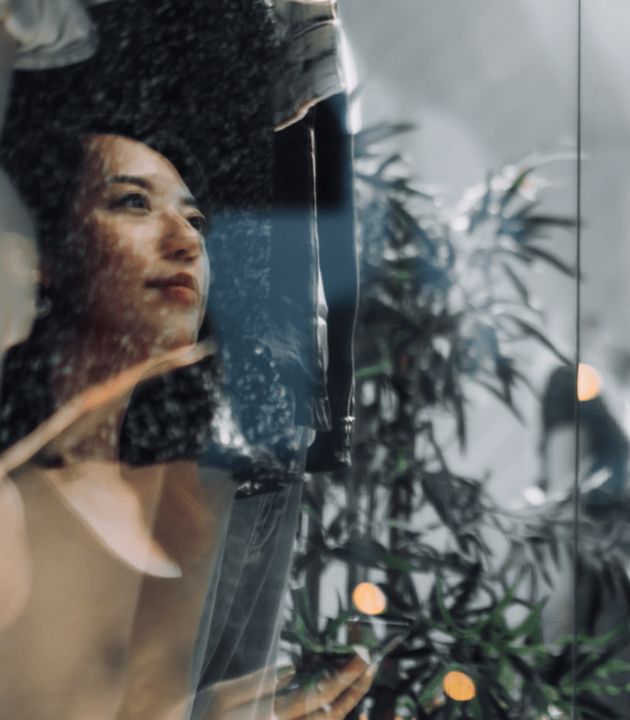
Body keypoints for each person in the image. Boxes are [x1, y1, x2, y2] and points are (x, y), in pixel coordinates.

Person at [0, 129, 372, 719]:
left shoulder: (189, 506)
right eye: (133, 202)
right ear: (48, 254)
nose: (186, 242)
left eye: (196, 220)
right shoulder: (14, 508)